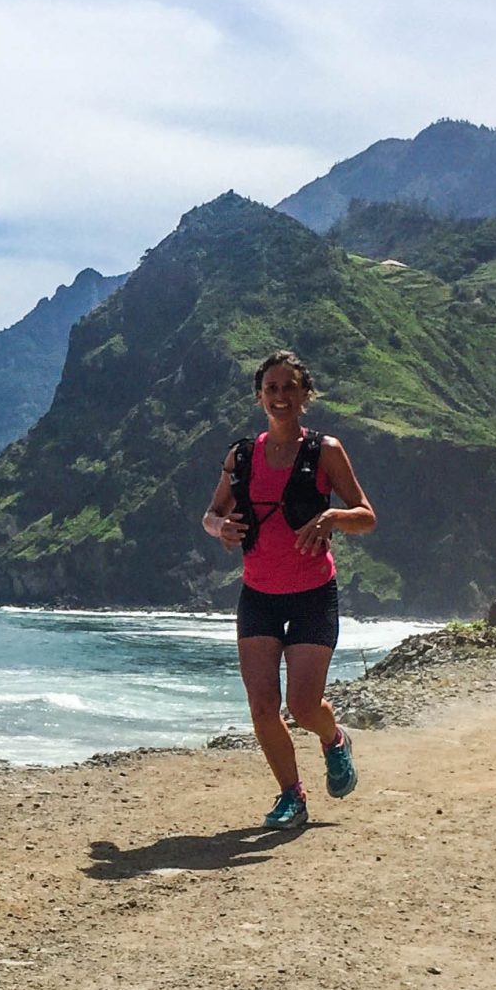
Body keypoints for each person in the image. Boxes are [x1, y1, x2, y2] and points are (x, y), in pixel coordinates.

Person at [202, 349, 376, 829]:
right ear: (260, 397)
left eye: (289, 388)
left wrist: (333, 516)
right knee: (262, 706)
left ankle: (334, 739)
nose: (281, 396)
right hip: (257, 593)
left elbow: (366, 515)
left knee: (301, 706)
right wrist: (221, 529)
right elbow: (211, 514)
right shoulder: (241, 455)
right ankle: (292, 796)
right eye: (271, 388)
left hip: (312, 594)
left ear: (304, 395)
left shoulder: (326, 451)